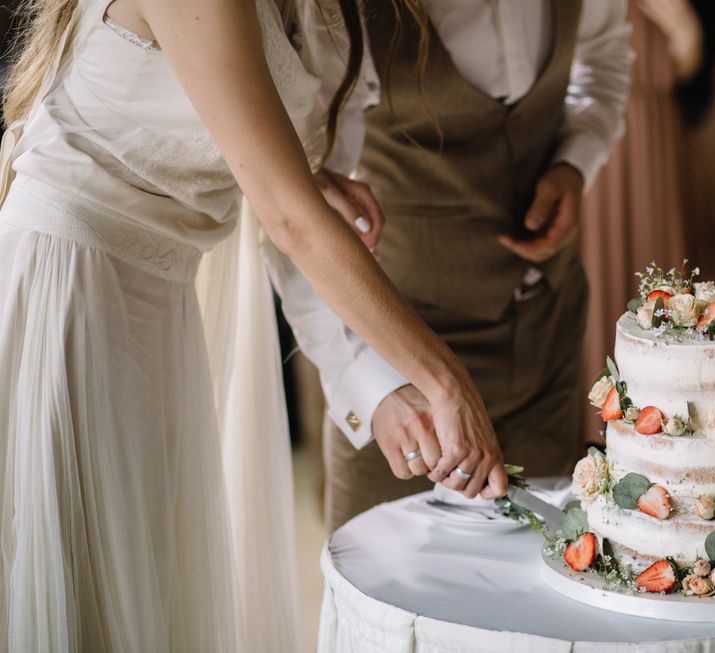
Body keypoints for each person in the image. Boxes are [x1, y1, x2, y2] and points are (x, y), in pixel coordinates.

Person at [0, 0, 506, 650]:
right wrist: (444, 377)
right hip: (72, 288)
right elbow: (290, 217)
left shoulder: (326, 17)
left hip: (161, 310)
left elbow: (260, 169)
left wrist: (299, 179)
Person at [311, 0, 633, 533]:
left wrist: (576, 160)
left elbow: (604, 55)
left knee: (538, 591)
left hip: (546, 346)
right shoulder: (344, 12)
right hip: (401, 380)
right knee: (387, 603)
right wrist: (370, 384)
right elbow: (298, 209)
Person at [580, 0, 715, 442]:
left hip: (654, 133)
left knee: (661, 291)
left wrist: (686, 29)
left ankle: (662, 439)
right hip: (591, 135)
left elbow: (690, 69)